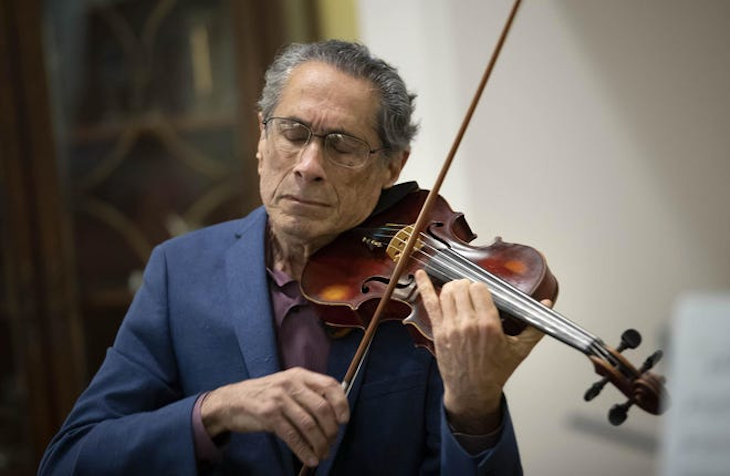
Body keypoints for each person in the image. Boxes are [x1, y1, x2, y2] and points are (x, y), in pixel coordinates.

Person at [39, 40, 548, 475]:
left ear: (392, 166)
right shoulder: (179, 272)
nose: (308, 166)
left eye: (342, 145)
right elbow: (71, 458)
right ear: (262, 136)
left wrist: (475, 411)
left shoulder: (430, 303)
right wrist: (216, 409)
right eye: (293, 132)